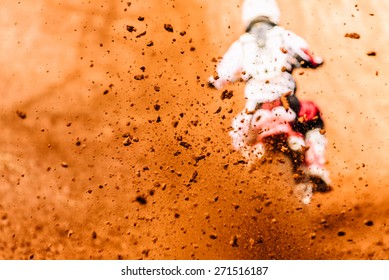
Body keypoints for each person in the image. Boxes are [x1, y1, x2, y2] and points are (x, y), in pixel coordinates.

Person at [208, 0, 330, 203]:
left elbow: (219, 76)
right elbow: (309, 56)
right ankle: (315, 165)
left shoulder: (240, 45)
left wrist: (214, 82)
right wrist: (315, 61)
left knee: (236, 133)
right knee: (314, 115)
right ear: (273, 12)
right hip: (287, 106)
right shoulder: (285, 36)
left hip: (255, 112)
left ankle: (241, 175)